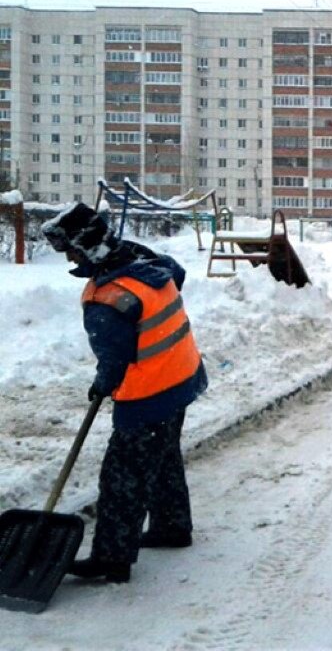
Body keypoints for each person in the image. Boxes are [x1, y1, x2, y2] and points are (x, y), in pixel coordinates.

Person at [41, 203, 207, 584]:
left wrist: (102, 385)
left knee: (122, 476)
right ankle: (172, 526)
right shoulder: (145, 261)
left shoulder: (107, 299)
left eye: (70, 249)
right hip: (182, 376)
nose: (67, 256)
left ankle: (111, 558)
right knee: (163, 456)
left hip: (150, 394)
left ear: (86, 248)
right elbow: (176, 274)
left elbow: (114, 361)